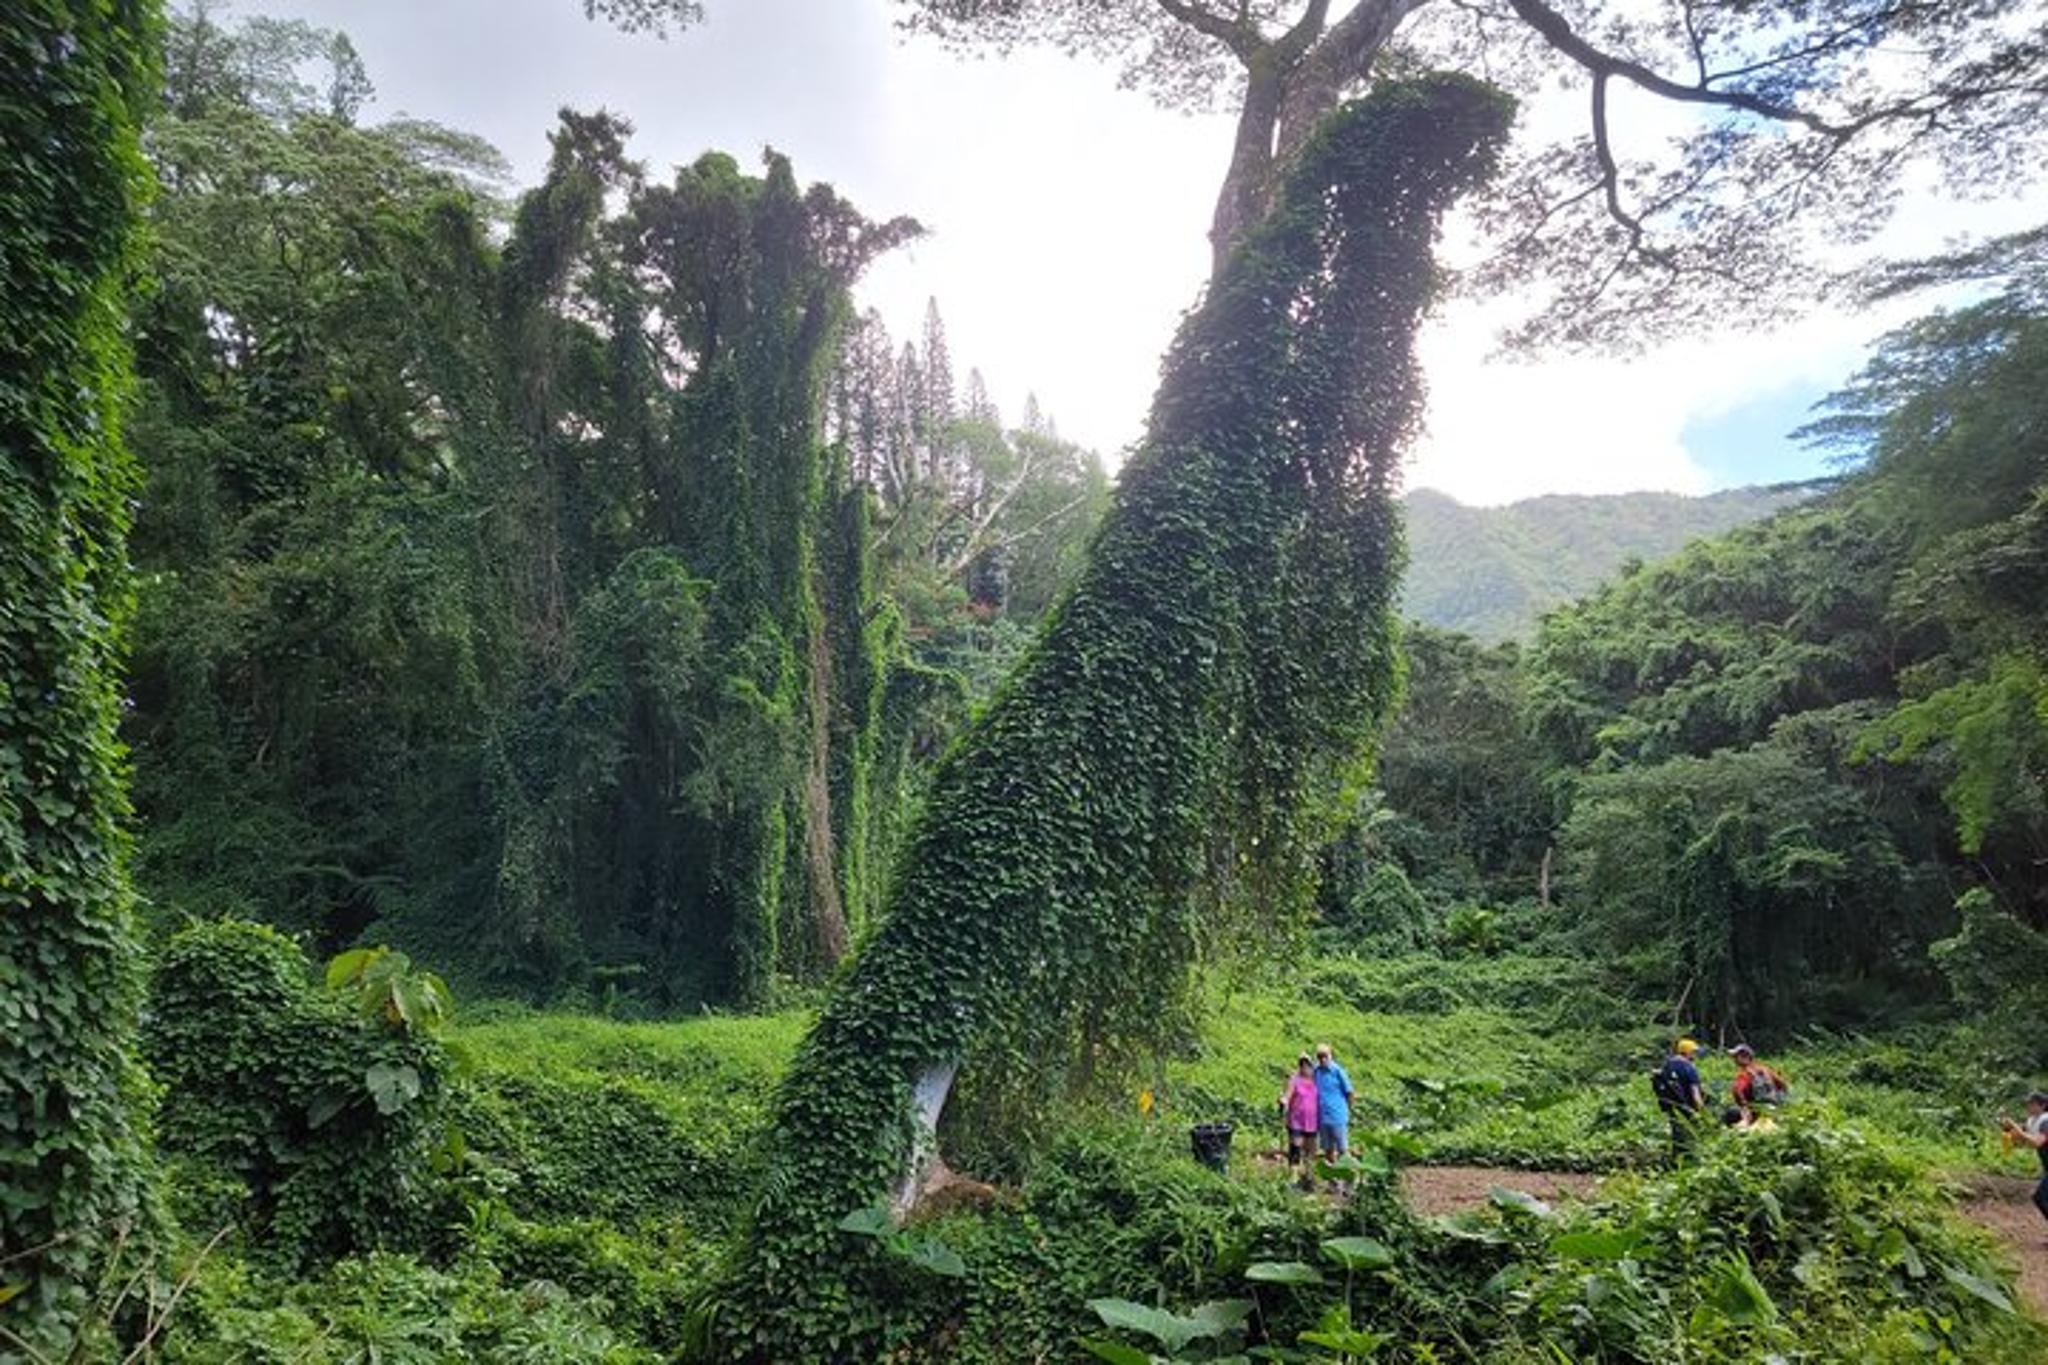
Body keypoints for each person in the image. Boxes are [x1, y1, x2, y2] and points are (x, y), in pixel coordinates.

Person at [1999, 1090, 2048, 1229]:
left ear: (2042, 1106)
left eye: (2031, 1104)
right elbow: (2019, 1137)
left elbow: (2036, 1142)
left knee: (2040, 1197)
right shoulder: (2032, 1120)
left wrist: (2014, 1127)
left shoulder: (2046, 1121)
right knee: (2042, 1198)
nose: (2028, 1106)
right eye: (2027, 1103)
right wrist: (2006, 1125)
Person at [1651, 1038, 1706, 1156]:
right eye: (1694, 1052)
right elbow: (1696, 1094)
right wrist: (1703, 1113)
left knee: (1677, 1135)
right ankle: (1693, 1157)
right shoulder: (1689, 1068)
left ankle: (1676, 1158)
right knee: (1694, 1136)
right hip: (1687, 1109)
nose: (1695, 1055)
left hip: (1671, 1108)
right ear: (1687, 1052)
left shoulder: (1667, 1064)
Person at [1277, 1054, 1319, 1191]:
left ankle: (1308, 1177)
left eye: (1308, 1064)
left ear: (1313, 1066)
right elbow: (1288, 1095)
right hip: (1296, 1120)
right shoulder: (1294, 1080)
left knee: (1310, 1151)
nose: (1305, 1067)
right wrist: (1283, 1101)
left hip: (1312, 1122)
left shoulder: (1317, 1080)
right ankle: (1293, 1178)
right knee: (1296, 1146)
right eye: (1302, 1064)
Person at [1312, 1043, 1355, 1167]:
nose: (1323, 1059)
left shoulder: (1338, 1071)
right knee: (1328, 1150)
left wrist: (1348, 1110)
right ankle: (1334, 1179)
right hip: (1323, 1118)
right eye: (1320, 1056)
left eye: (1325, 1056)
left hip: (1338, 1116)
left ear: (1331, 1056)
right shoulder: (1316, 1072)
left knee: (1343, 1149)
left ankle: (1349, 1177)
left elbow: (1350, 1092)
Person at [1728, 1044, 1788, 1123]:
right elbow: (1784, 1085)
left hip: (1756, 1113)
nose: (1734, 1059)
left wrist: (1744, 1108)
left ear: (1745, 1057)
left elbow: (1737, 1091)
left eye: (1736, 1056)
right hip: (1773, 1109)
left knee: (1730, 1113)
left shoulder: (1744, 1074)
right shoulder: (1765, 1070)